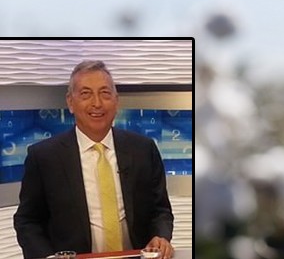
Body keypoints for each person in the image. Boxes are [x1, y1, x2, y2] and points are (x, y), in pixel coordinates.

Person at [14, 60, 175, 259]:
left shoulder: (143, 149)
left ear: (117, 101)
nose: (97, 103)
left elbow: (160, 210)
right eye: (85, 94)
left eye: (105, 93)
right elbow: (27, 221)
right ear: (70, 103)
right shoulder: (44, 156)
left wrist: (160, 236)